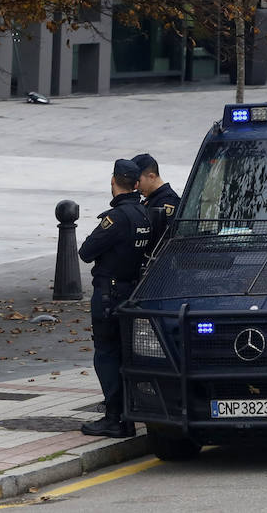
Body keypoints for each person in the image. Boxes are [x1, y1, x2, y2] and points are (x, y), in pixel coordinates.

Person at [78, 158, 152, 438]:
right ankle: (130, 413)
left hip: (110, 294)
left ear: (113, 183)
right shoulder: (145, 214)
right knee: (127, 355)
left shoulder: (117, 218)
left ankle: (115, 418)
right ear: (136, 184)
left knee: (107, 355)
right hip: (133, 292)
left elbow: (86, 252)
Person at [131, 153, 181, 260]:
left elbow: (162, 243)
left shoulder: (167, 202)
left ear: (151, 177)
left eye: (138, 182)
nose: (136, 187)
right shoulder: (152, 199)